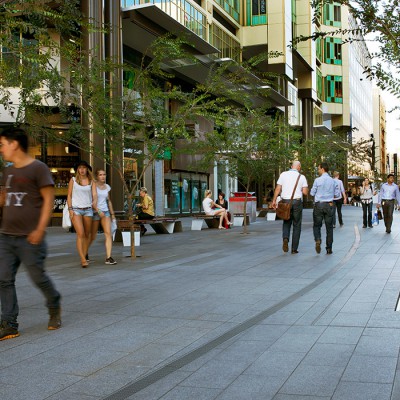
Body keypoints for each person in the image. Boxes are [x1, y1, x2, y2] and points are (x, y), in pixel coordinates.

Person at [0, 127, 61, 341]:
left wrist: (39, 229)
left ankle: (54, 304)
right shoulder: (8, 171)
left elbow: (48, 202)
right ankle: (9, 324)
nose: (1, 149)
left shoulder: (38, 168)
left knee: (38, 278)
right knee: (4, 279)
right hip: (6, 236)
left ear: (14, 144)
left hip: (30, 236)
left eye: (2, 144)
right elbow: (4, 199)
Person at [271, 160, 308, 254]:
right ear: (299, 167)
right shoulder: (302, 177)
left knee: (286, 221)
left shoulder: (283, 174)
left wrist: (274, 200)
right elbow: (305, 192)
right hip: (297, 202)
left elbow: (278, 188)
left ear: (291, 166)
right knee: (297, 224)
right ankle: (294, 249)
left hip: (285, 202)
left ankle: (285, 238)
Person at [67, 160, 97, 268]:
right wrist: (70, 209)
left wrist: (94, 202)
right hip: (76, 210)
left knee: (86, 235)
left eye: (84, 168)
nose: (82, 170)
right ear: (77, 170)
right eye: (80, 168)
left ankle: (84, 255)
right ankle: (83, 259)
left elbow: (94, 194)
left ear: (87, 169)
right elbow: (69, 195)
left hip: (88, 209)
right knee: (80, 233)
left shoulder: (91, 181)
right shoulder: (73, 180)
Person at [89, 169, 117, 265]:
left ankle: (108, 257)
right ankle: (84, 252)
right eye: (100, 175)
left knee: (108, 234)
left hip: (105, 212)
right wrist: (98, 211)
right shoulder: (93, 185)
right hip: (95, 212)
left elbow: (108, 201)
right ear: (97, 176)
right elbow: (92, 202)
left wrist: (112, 214)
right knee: (92, 236)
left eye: (104, 174)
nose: (103, 176)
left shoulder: (107, 187)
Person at [310, 162, 336, 254]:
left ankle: (318, 239)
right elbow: (336, 194)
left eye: (318, 168)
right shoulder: (333, 181)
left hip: (319, 205)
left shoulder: (317, 180)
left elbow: (312, 193)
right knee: (329, 228)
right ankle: (329, 248)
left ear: (322, 169)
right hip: (329, 205)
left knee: (317, 225)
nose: (318, 170)